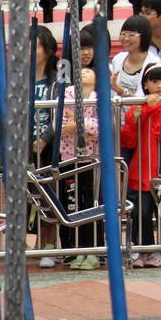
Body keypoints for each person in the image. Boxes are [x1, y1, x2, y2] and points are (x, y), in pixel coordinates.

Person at [120, 64, 161, 268]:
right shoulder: (137, 107)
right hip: (141, 170)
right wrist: (137, 117)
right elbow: (127, 140)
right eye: (154, 81)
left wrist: (151, 109)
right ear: (145, 84)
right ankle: (143, 249)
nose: (160, 86)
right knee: (141, 213)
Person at [59, 26, 102, 271]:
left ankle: (93, 251)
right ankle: (76, 251)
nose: (85, 72)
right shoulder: (67, 91)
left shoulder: (98, 95)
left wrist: (78, 124)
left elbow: (101, 124)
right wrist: (74, 125)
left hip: (92, 158)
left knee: (92, 203)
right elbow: (62, 122)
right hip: (70, 157)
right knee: (73, 204)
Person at [30, 26, 60, 268]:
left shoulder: (58, 76)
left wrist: (45, 138)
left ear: (48, 50)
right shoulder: (21, 77)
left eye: (36, 45)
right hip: (26, 144)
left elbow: (62, 111)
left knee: (49, 196)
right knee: (28, 196)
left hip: (49, 145)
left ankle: (48, 246)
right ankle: (29, 243)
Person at [109, 14, 161, 99]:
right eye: (123, 34)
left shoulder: (155, 63)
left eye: (131, 35)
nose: (126, 39)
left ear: (144, 36)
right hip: (119, 112)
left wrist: (122, 91)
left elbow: (148, 98)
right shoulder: (117, 59)